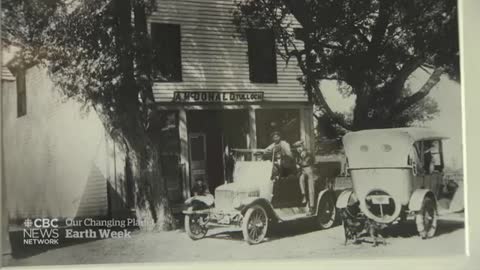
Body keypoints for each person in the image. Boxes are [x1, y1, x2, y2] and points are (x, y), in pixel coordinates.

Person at [293, 140, 316, 214]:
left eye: (299, 147)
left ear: (302, 146)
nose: (298, 149)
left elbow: (310, 161)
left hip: (309, 169)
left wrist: (301, 161)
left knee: (311, 188)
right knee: (301, 179)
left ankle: (312, 207)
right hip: (303, 171)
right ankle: (304, 196)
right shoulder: (298, 155)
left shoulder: (307, 153)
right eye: (297, 148)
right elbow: (298, 162)